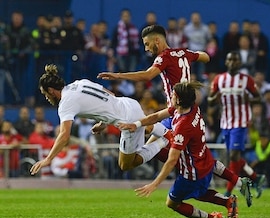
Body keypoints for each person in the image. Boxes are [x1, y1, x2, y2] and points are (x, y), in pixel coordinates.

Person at [98, 25, 253, 207]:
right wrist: (195, 55)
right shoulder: (182, 52)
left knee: (147, 151)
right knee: (196, 155)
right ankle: (240, 182)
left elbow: (148, 76)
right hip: (189, 110)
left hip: (177, 114)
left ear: (158, 40)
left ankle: (179, 167)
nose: (146, 49)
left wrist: (117, 75)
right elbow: (205, 56)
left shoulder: (163, 57)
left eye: (147, 44)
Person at [119, 81, 238, 218]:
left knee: (172, 202)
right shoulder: (190, 108)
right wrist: (137, 124)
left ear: (179, 100)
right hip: (201, 160)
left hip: (192, 170)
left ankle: (213, 216)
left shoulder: (183, 126)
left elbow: (171, 160)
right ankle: (228, 201)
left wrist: (154, 184)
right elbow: (156, 116)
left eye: (173, 95)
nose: (170, 96)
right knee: (199, 192)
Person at [29, 64, 172, 175]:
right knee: (144, 127)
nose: (46, 97)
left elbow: (64, 135)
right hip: (129, 103)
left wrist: (48, 159)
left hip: (127, 120)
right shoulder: (79, 83)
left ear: (51, 90)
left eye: (45, 93)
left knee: (126, 164)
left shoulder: (65, 103)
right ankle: (166, 132)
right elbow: (109, 94)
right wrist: (104, 123)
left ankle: (165, 139)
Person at [208, 51, 265, 198]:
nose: (233, 62)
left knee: (234, 155)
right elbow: (209, 100)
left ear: (240, 63)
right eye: (230, 59)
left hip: (241, 122)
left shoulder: (247, 80)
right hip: (225, 122)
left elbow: (258, 98)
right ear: (226, 62)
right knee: (234, 157)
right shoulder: (219, 79)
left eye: (236, 60)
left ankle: (228, 191)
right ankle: (256, 178)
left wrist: (248, 100)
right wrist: (215, 98)